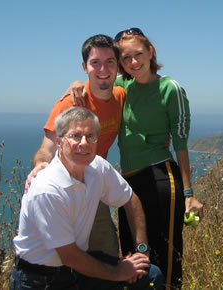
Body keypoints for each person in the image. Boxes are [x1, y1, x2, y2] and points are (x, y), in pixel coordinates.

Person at [67, 28, 204, 289]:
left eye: (138, 55)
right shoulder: (122, 87)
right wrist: (75, 85)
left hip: (161, 176)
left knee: (166, 256)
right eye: (126, 58)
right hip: (128, 182)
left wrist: (189, 193)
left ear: (150, 52)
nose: (133, 62)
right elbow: (97, 85)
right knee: (133, 258)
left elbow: (180, 143)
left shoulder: (169, 88)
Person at [10, 107, 164, 289]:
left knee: (150, 275)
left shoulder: (97, 167)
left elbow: (130, 200)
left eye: (90, 136)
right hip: (39, 279)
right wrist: (118, 273)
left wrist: (142, 251)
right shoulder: (47, 188)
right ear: (59, 142)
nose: (84, 143)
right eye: (75, 136)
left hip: (77, 268)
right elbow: (69, 256)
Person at [26, 34, 125, 257]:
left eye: (110, 62)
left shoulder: (121, 95)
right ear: (84, 66)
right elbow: (46, 149)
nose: (103, 69)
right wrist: (40, 165)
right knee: (61, 259)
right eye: (95, 63)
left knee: (107, 253)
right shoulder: (70, 103)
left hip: (94, 187)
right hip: (65, 191)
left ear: (118, 66)